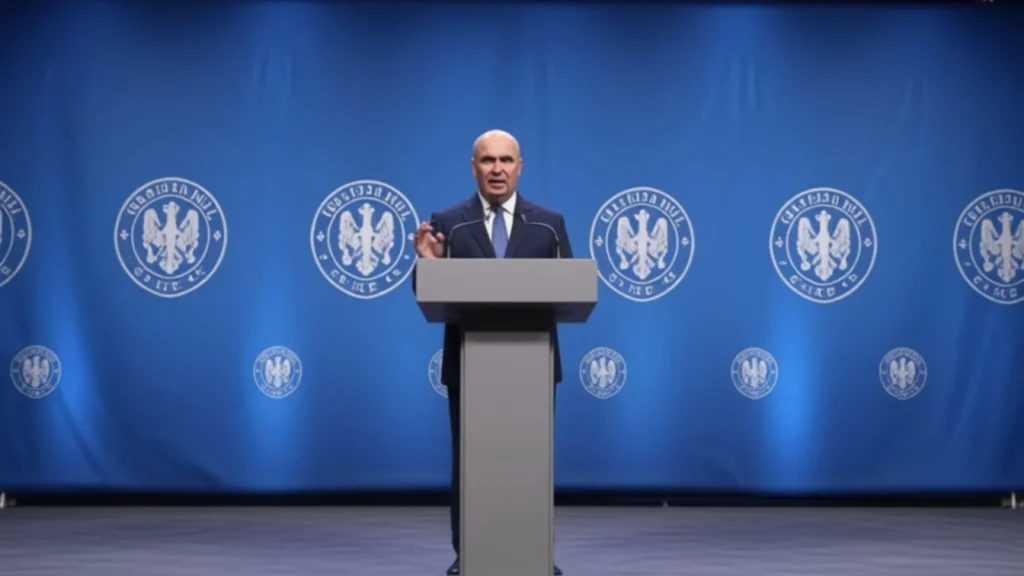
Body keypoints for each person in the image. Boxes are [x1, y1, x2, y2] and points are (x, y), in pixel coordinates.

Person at [413, 129, 570, 576]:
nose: (497, 169)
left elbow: (570, 287)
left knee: (532, 464)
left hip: (533, 366)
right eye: (487, 161)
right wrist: (428, 264)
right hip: (470, 365)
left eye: (505, 160)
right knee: (470, 464)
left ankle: (536, 552)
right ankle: (468, 553)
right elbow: (428, 293)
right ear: (473, 167)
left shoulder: (549, 224)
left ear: (520, 167)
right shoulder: (449, 222)